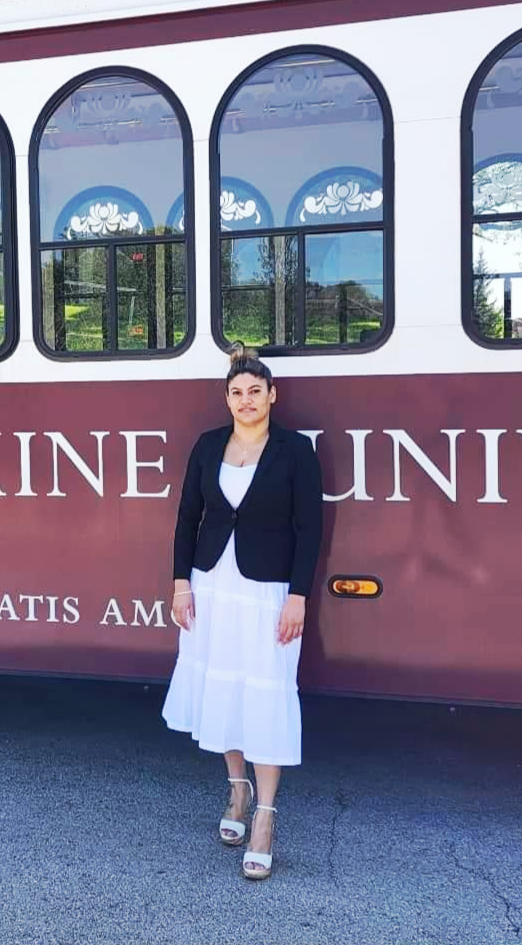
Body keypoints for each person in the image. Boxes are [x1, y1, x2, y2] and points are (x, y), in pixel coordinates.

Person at [162, 342, 324, 881]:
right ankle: (237, 790)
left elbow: (310, 530)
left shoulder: (295, 450)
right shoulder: (208, 445)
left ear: (273, 395)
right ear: (227, 398)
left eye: (256, 391)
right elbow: (187, 518)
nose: (246, 400)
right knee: (224, 690)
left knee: (266, 694)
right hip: (211, 585)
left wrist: (298, 595)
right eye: (237, 392)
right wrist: (181, 585)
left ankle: (265, 818)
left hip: (268, 591)